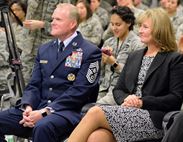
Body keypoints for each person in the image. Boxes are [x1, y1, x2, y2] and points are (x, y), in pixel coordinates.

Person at [67, 7, 183, 142]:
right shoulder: (135, 55)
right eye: (140, 26)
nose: (139, 31)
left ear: (159, 29)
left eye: (145, 27)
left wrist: (141, 102)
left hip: (153, 117)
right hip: (127, 110)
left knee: (95, 111)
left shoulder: (174, 59)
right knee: (97, 137)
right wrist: (129, 99)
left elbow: (175, 99)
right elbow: (118, 90)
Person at [0, 3, 101, 142]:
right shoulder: (44, 49)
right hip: (38, 108)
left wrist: (45, 112)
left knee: (42, 126)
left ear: (72, 24)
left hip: (67, 112)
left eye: (58, 20)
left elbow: (80, 91)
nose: (52, 23)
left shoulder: (90, 51)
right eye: (52, 19)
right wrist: (28, 106)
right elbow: (34, 85)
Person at [97, 6, 143, 105]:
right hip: (103, 89)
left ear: (129, 23)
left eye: (118, 24)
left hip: (121, 93)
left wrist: (114, 63)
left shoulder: (137, 44)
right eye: (112, 24)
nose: (114, 28)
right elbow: (101, 71)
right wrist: (101, 58)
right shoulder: (109, 42)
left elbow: (134, 76)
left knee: (93, 110)